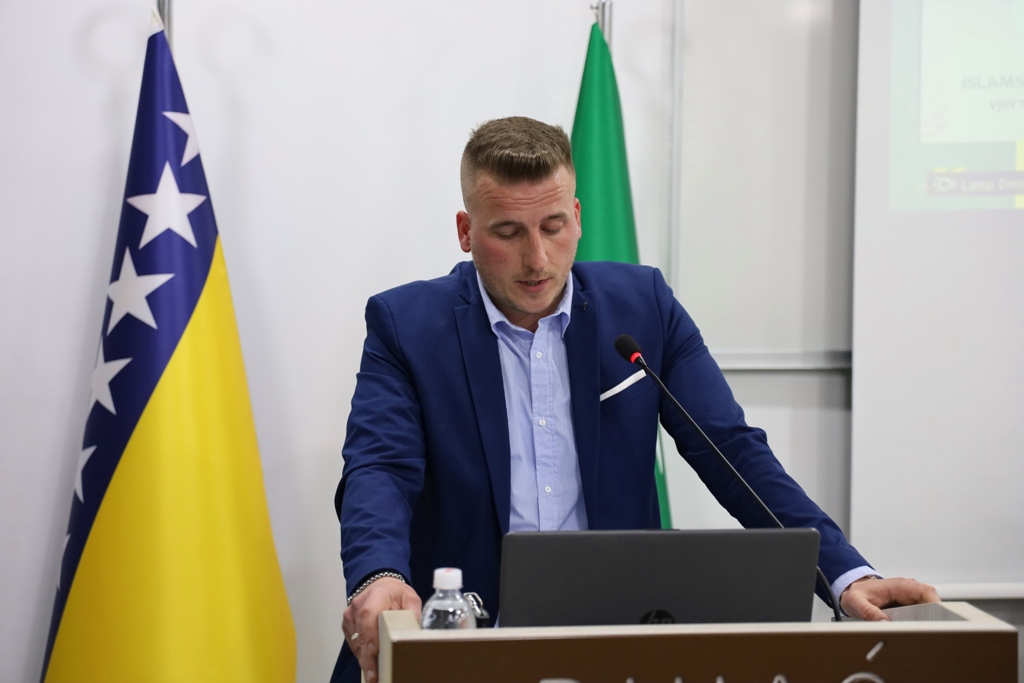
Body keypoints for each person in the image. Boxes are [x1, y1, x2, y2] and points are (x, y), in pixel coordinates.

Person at [331, 116, 939, 683]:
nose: (537, 259)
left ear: (577, 217)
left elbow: (731, 450)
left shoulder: (643, 307)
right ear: (467, 231)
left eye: (553, 227)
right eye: (508, 233)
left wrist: (844, 574)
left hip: (615, 643)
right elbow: (379, 468)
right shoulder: (407, 325)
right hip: (460, 641)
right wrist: (379, 575)